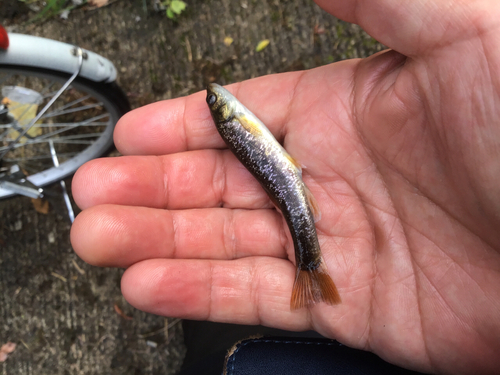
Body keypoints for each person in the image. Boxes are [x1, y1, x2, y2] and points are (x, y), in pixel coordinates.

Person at [70, 0, 500, 373]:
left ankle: (307, 268)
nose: (216, 95)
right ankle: (308, 267)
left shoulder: (234, 124)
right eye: (218, 102)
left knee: (213, 342)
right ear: (231, 115)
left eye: (215, 101)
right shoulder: (232, 120)